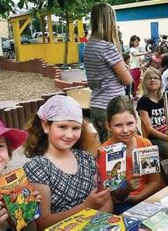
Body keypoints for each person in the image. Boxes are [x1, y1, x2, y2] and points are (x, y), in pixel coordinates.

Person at [23, 95, 112, 229]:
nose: (69, 135)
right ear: (46, 126)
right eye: (63, 127)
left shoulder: (86, 159)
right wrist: (86, 207)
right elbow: (42, 223)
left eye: (75, 128)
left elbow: (106, 202)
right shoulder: (37, 168)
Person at [102, 95, 163, 214]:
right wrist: (127, 189)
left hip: (146, 197)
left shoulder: (145, 144)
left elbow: (155, 182)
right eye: (118, 125)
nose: (125, 130)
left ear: (136, 121)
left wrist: (138, 198)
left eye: (130, 123)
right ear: (108, 126)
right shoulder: (106, 151)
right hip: (123, 203)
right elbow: (114, 196)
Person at [83, 2, 133, 141]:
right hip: (112, 106)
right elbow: (128, 80)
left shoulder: (89, 46)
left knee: (106, 149)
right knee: (116, 153)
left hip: (96, 105)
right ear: (110, 21)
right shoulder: (107, 47)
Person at [136, 68, 168, 159]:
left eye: (156, 78)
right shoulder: (143, 102)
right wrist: (167, 137)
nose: (152, 80)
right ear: (144, 82)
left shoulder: (164, 99)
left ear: (160, 82)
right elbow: (149, 129)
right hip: (155, 137)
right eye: (149, 78)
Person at [128, 35, 146, 100]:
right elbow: (135, 54)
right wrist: (144, 53)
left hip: (137, 68)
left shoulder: (137, 49)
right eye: (137, 41)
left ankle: (134, 95)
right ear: (132, 42)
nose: (138, 43)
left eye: (138, 41)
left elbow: (139, 59)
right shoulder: (132, 49)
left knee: (137, 82)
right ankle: (133, 95)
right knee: (134, 83)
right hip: (133, 68)